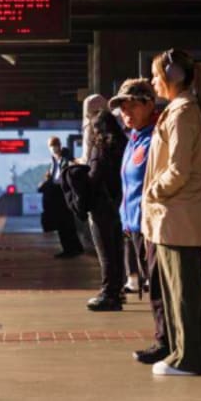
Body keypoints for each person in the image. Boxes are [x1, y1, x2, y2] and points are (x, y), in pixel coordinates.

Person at [143, 49, 201, 376]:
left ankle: (187, 359)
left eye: (155, 75)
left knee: (183, 291)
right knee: (186, 288)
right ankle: (191, 356)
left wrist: (153, 191)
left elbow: (178, 169)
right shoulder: (181, 110)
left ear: (171, 77)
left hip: (178, 215)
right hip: (179, 215)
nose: (152, 81)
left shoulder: (182, 113)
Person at [109, 78, 168, 362]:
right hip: (134, 225)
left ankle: (165, 342)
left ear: (149, 104)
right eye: (122, 107)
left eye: (131, 105)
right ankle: (165, 338)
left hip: (152, 225)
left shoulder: (156, 136)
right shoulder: (134, 138)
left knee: (159, 286)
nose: (125, 112)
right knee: (151, 282)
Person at [85, 109, 128, 311]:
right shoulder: (124, 143)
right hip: (121, 204)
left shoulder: (100, 147)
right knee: (117, 250)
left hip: (101, 206)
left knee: (106, 253)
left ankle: (108, 293)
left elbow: (94, 177)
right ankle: (117, 291)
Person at [38, 136, 83, 258]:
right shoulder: (53, 160)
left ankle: (71, 249)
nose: (53, 148)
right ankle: (72, 248)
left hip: (64, 192)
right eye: (51, 146)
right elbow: (55, 175)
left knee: (66, 222)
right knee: (62, 223)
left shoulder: (65, 156)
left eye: (55, 145)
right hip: (56, 194)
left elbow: (72, 164)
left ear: (59, 145)